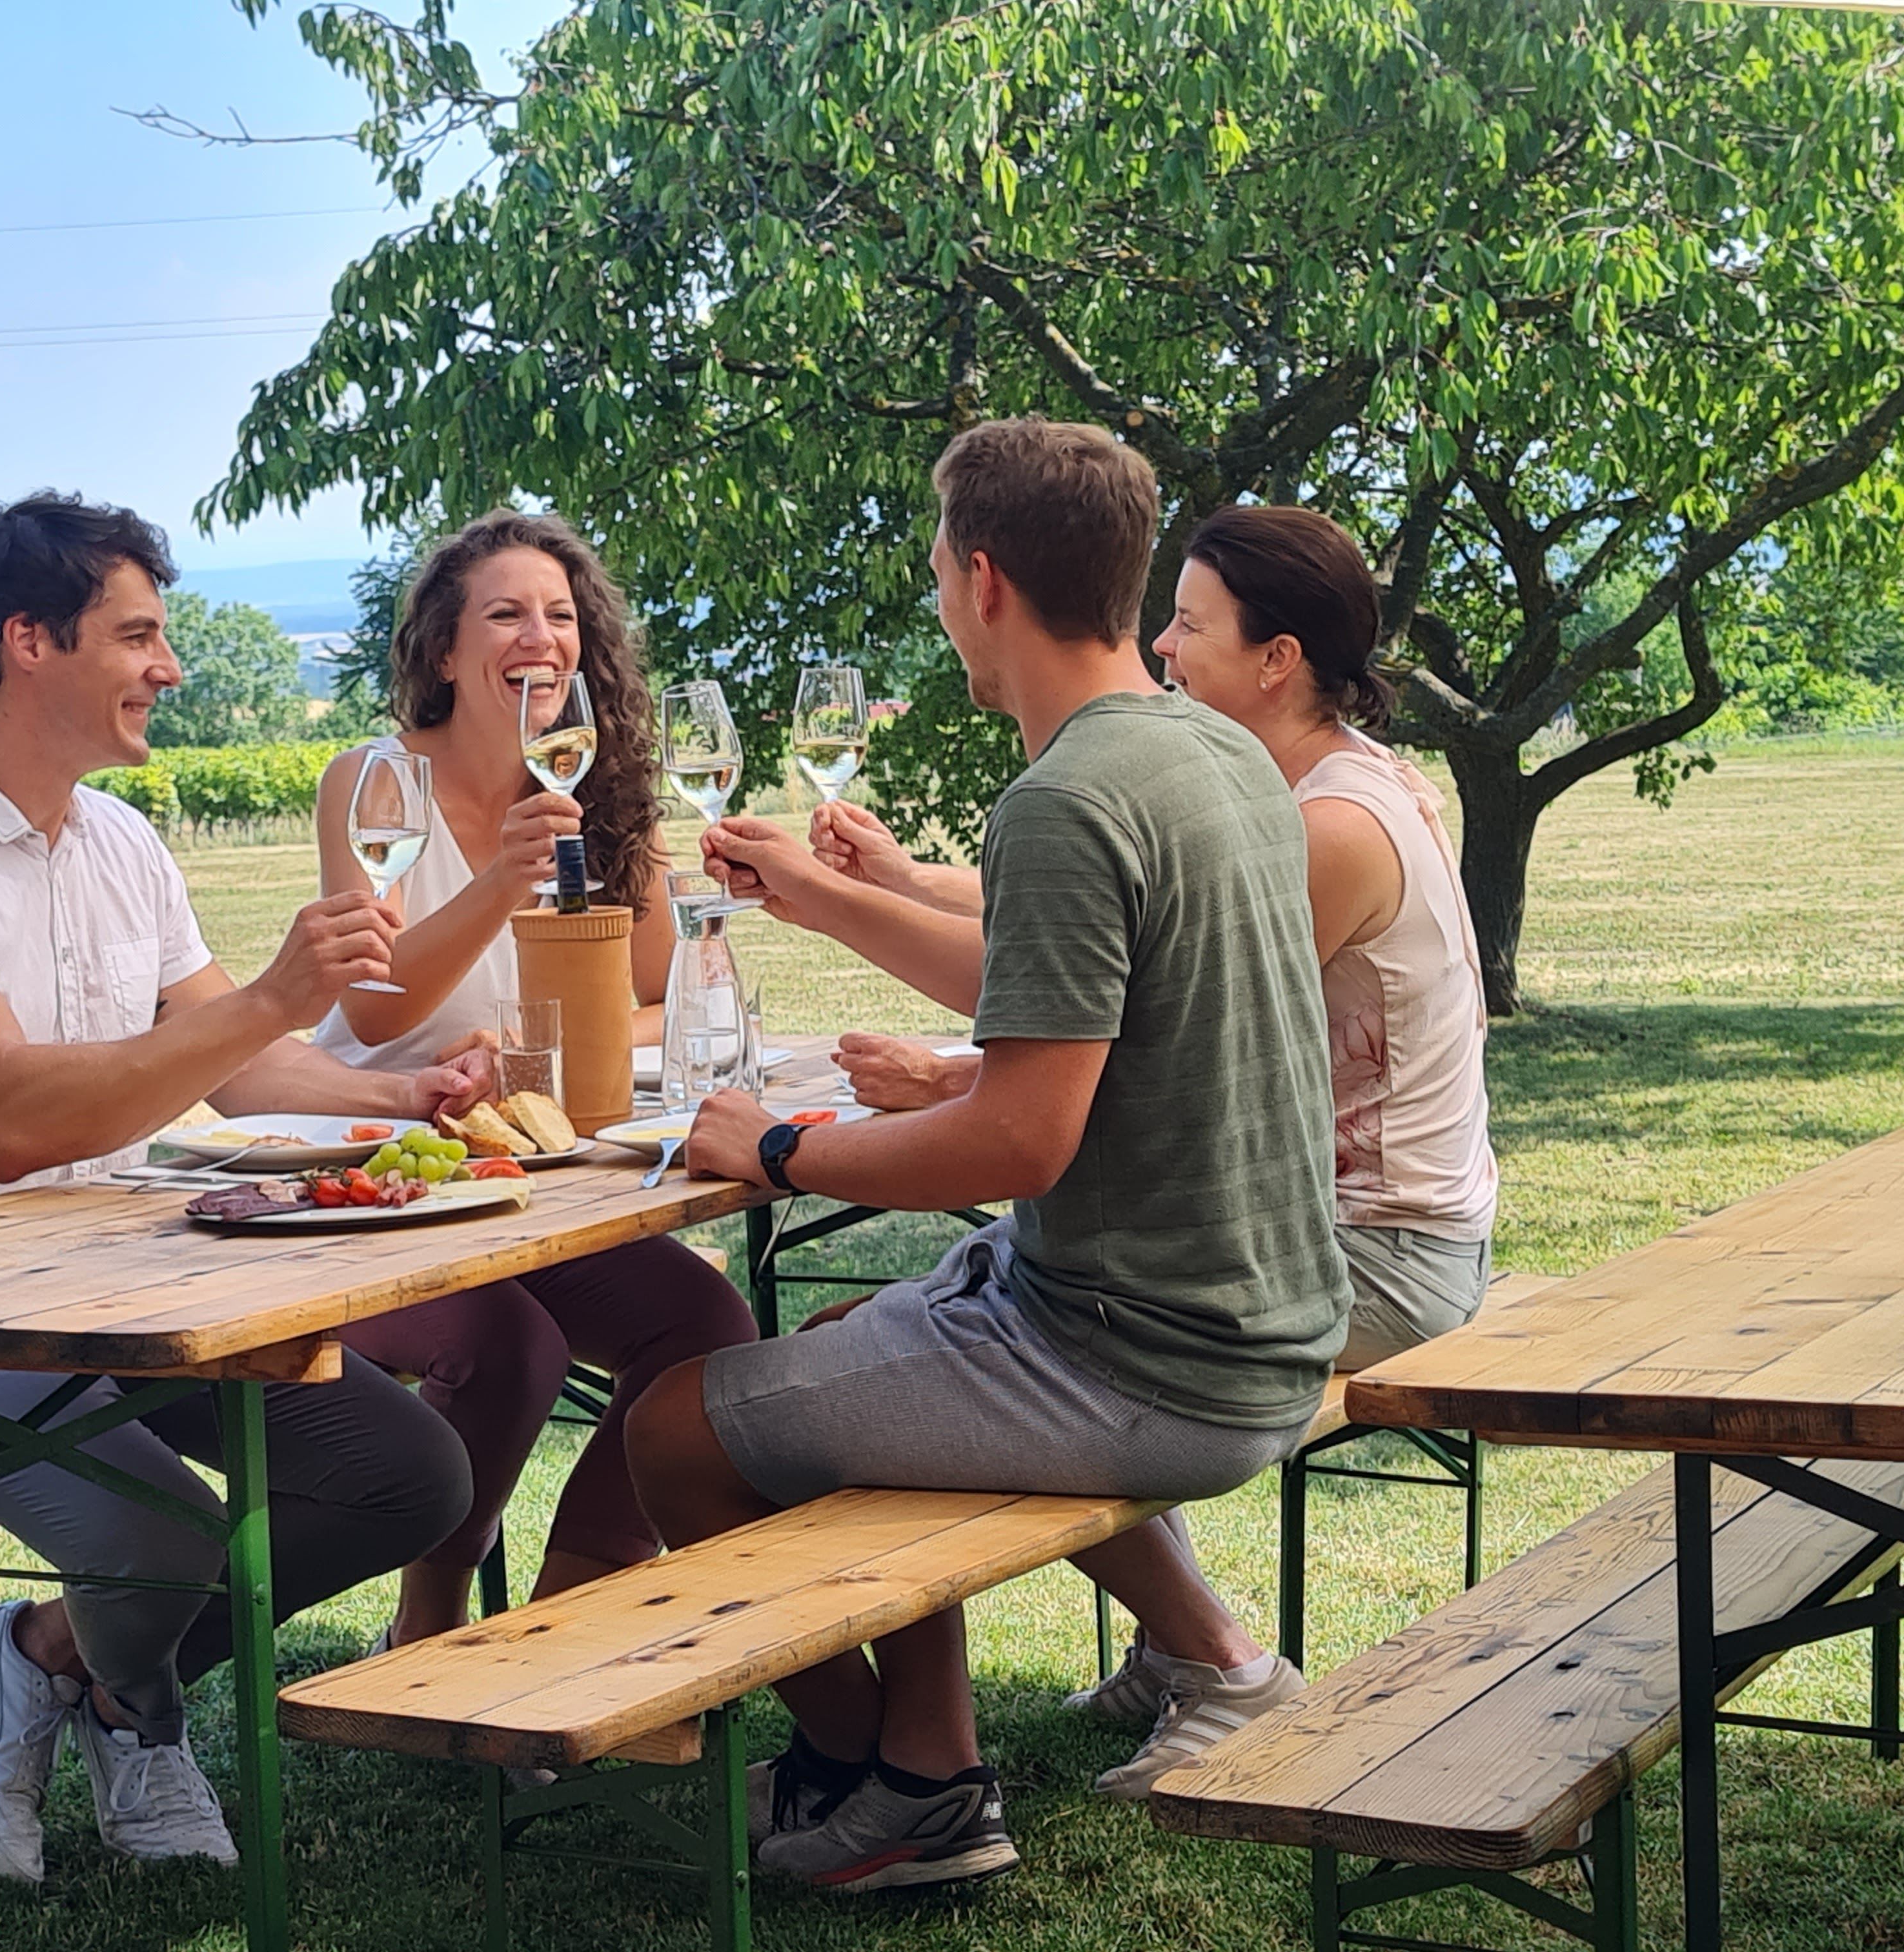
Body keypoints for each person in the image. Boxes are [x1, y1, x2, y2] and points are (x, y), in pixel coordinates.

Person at [623, 416, 1351, 1893]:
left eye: (940, 573)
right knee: (842, 1341)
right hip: (1258, 1316)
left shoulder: (1065, 798)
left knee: (671, 1431)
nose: (941, 600)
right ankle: (928, 1760)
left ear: (984, 580)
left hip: (1148, 1357)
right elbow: (1067, 1014)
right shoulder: (1213, 751)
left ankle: (888, 1785)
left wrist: (781, 1146)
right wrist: (836, 905)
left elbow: (1021, 1134)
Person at [0, 491, 482, 1887]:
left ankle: (47, 1660)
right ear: (26, 642)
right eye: (139, 634)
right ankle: (143, 1716)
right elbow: (10, 1120)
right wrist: (281, 989)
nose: (170, 665)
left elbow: (235, 1062)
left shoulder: (120, 843)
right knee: (161, 1529)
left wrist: (405, 1098)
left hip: (127, 1292)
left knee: (409, 1476)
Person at [805, 505, 1499, 1776]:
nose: (1163, 651)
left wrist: (930, 1026)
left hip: (1374, 1254)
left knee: (1037, 1337)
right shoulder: (1330, 780)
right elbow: (1122, 918)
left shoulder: (1333, 830)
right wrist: (902, 880)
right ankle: (1183, 1649)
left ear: (1276, 659)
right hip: (1332, 1229)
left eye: (1189, 625)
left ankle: (1221, 1664)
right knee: (1024, 1307)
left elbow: (1139, 1007)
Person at [309, 510, 758, 1647]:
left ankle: (562, 1629)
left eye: (561, 616)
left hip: (540, 1164)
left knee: (706, 1323)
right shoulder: (373, 784)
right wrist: (499, 885)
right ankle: (430, 1627)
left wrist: (551, 1048)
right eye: (505, 614)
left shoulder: (602, 793)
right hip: (388, 1175)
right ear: (443, 652)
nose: (541, 639)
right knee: (513, 1351)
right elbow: (374, 1003)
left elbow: (661, 992)